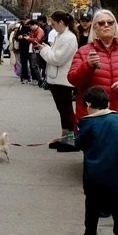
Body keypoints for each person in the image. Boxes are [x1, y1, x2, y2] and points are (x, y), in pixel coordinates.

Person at [67, 8, 118, 221]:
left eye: (109, 22)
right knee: (98, 165)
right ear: (94, 28)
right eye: (101, 23)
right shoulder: (85, 52)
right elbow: (74, 80)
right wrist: (88, 67)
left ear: (116, 26)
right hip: (96, 121)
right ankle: (102, 204)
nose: (106, 26)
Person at [76, 86, 118, 235]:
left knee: (92, 209)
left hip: (94, 174)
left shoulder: (87, 123)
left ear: (88, 104)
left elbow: (79, 143)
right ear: (107, 103)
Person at [37, 11, 79, 143]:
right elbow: (55, 55)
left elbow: (56, 59)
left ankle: (70, 138)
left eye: (53, 23)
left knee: (66, 110)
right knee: (63, 110)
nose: (52, 26)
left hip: (62, 79)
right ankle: (66, 136)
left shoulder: (68, 38)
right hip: (57, 78)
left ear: (61, 23)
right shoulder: (61, 35)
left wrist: (43, 50)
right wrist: (45, 48)